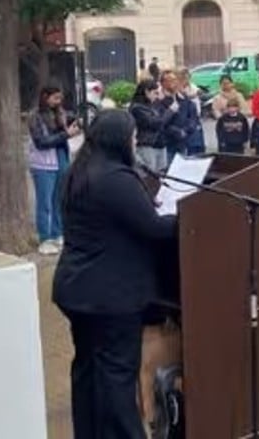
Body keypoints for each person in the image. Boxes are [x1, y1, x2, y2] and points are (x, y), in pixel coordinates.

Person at [53, 110, 177, 439]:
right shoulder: (114, 178)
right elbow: (153, 227)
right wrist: (194, 216)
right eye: (132, 136)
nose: (135, 141)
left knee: (89, 371)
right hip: (108, 295)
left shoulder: (80, 171)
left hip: (77, 289)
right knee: (116, 376)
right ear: (119, 139)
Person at [29, 85, 79, 255]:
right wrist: (66, 135)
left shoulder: (61, 113)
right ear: (45, 97)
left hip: (62, 158)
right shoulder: (35, 116)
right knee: (45, 202)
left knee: (59, 199)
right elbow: (41, 142)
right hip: (43, 163)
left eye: (60, 98)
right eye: (55, 98)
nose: (58, 102)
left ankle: (58, 233)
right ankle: (44, 238)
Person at [129, 80, 168, 173]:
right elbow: (154, 123)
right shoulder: (137, 108)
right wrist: (170, 112)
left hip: (159, 143)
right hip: (147, 145)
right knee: (149, 174)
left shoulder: (154, 104)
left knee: (161, 175)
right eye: (155, 93)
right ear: (147, 91)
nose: (157, 96)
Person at [177, 68, 205, 156]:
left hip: (196, 116)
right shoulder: (178, 87)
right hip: (185, 118)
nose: (186, 79)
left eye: (187, 76)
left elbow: (200, 92)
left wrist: (196, 94)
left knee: (198, 145)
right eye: (184, 76)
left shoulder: (192, 86)